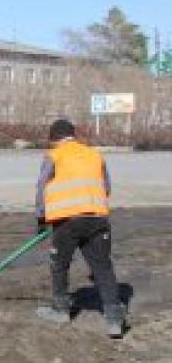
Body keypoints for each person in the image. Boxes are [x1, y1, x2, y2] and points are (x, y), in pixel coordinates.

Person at [35, 118, 125, 338]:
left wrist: (41, 218)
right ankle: (114, 320)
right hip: (97, 218)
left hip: (67, 222)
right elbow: (107, 187)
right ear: (73, 135)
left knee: (59, 264)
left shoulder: (54, 155)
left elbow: (41, 187)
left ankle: (61, 310)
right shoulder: (95, 154)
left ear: (54, 138)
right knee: (103, 267)